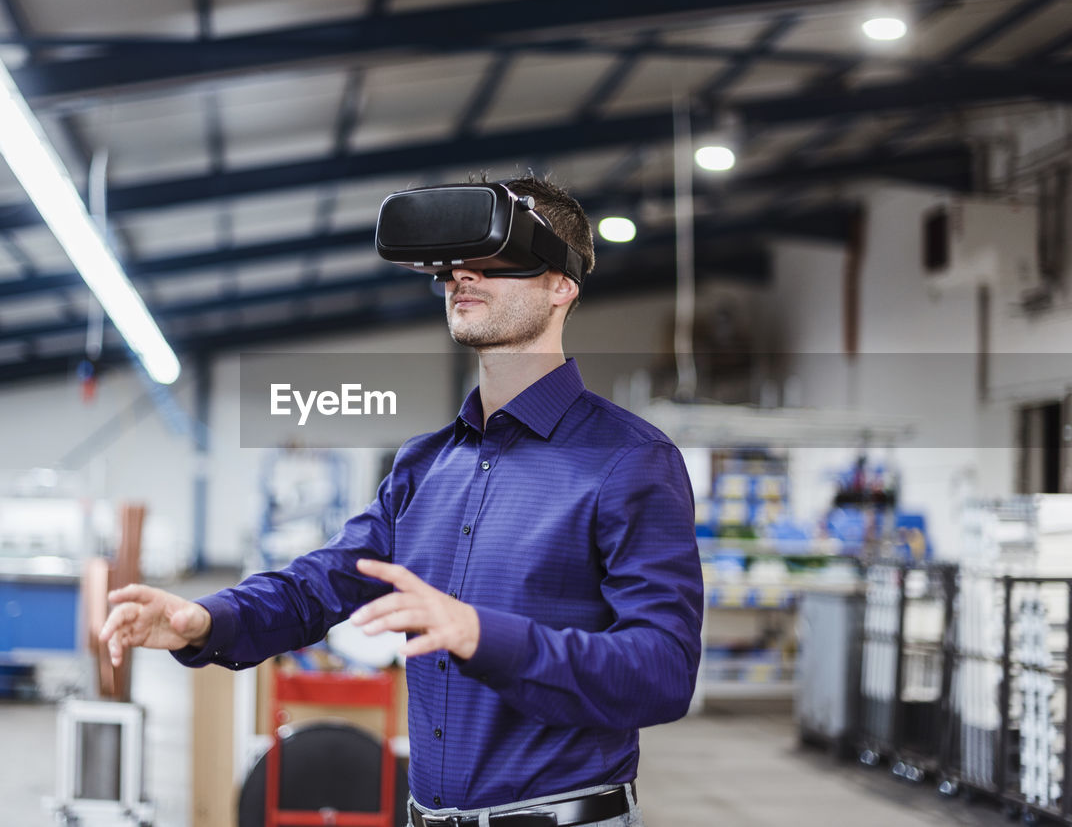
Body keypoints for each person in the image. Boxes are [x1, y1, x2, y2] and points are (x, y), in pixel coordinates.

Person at [100, 175, 704, 827]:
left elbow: (662, 671)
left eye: (495, 257)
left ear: (562, 284)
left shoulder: (629, 460)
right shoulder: (424, 465)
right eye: (453, 262)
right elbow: (323, 584)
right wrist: (205, 620)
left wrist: (482, 634)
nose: (462, 277)